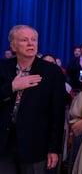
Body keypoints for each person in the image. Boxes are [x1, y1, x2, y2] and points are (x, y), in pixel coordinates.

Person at [0, 25, 66, 173]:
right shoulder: (2, 68)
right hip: (4, 145)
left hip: (36, 145)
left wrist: (54, 149)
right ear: (13, 45)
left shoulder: (52, 72)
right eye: (24, 40)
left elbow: (57, 114)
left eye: (34, 40)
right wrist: (12, 87)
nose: (31, 44)